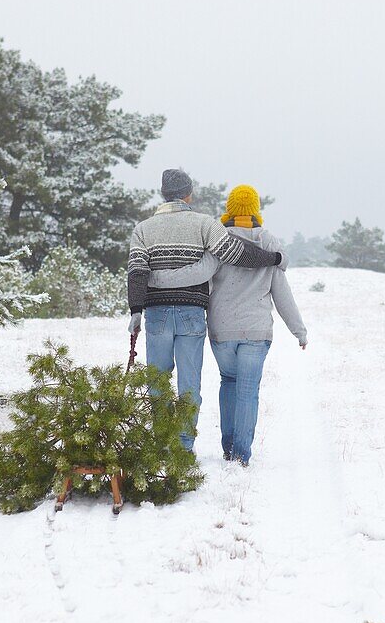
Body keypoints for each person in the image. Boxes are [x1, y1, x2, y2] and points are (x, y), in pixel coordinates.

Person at [127, 170, 286, 452]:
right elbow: (237, 254)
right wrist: (273, 258)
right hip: (191, 312)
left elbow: (137, 270)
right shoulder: (204, 224)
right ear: (189, 194)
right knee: (189, 384)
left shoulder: (143, 229)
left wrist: (136, 311)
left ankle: (162, 445)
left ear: (163, 194)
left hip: (156, 314)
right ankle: (184, 447)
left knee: (157, 381)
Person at [150, 184, 307, 466]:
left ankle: (227, 446)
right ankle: (240, 455)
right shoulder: (270, 243)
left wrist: (160, 279)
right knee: (248, 389)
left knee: (229, 381)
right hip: (257, 331)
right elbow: (282, 292)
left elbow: (199, 273)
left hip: (222, 330)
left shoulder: (220, 241)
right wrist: (299, 330)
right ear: (256, 209)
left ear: (230, 208)